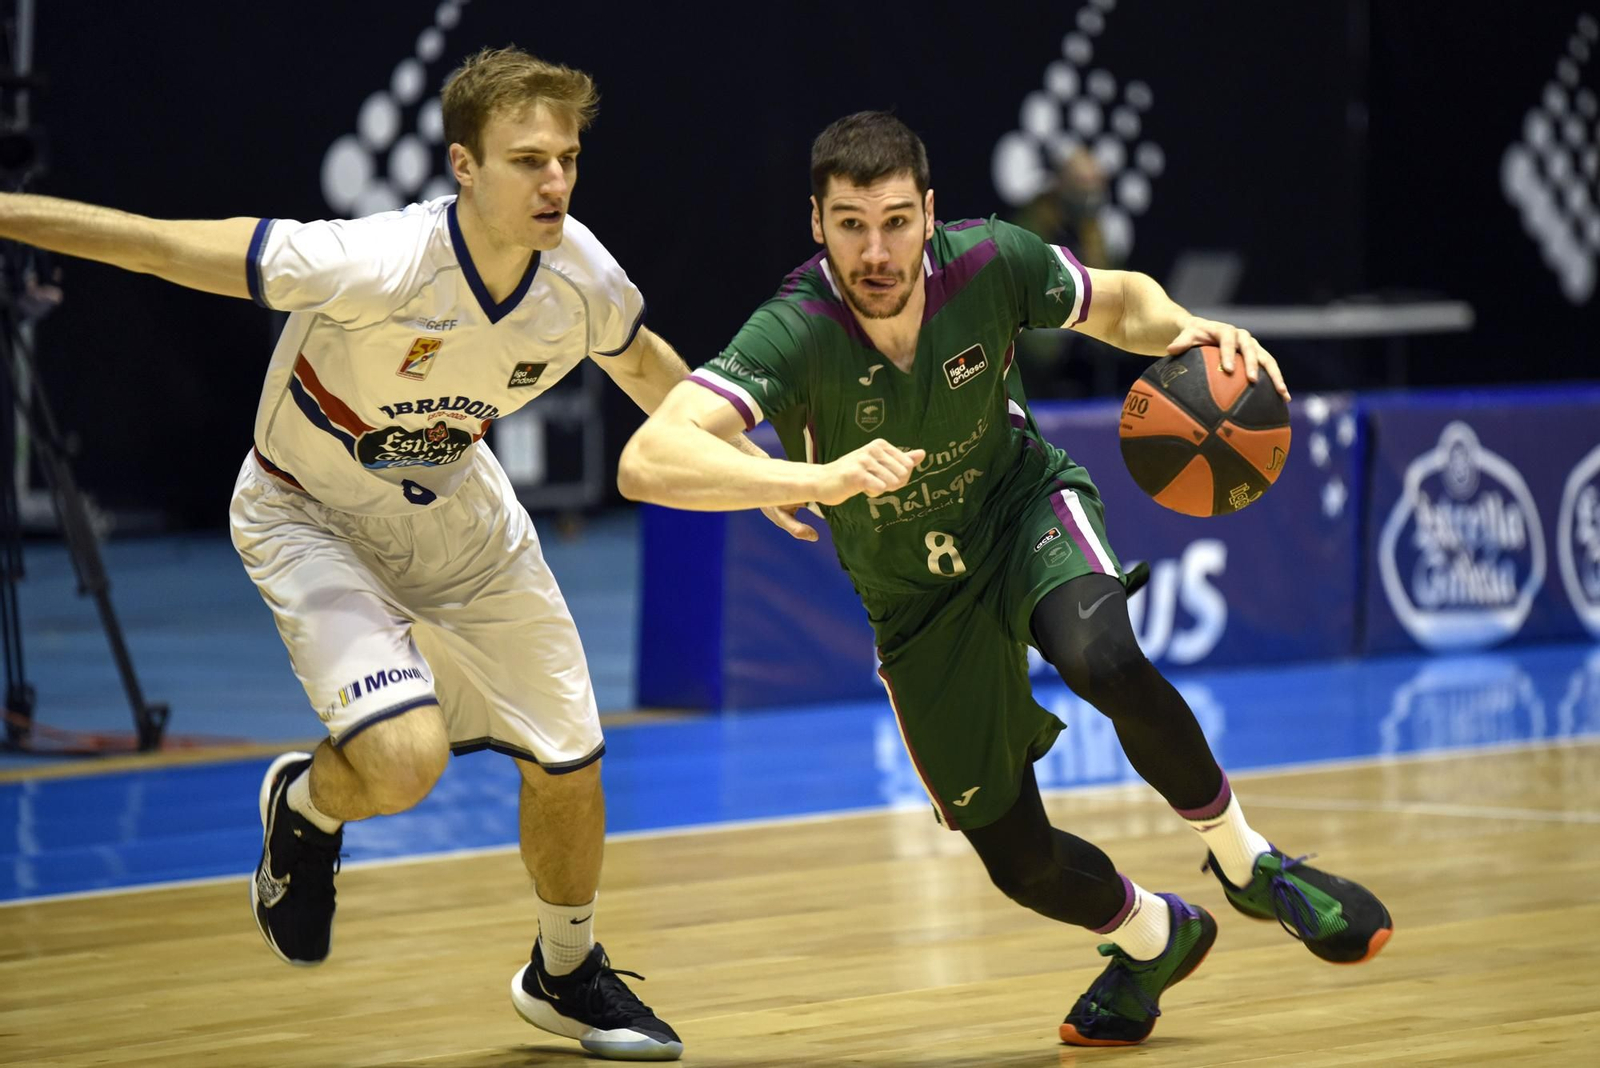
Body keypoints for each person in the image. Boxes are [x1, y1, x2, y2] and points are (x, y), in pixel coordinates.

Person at [0, 47, 799, 1063]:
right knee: (402, 760)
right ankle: (304, 803)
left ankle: (565, 973)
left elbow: (650, 369)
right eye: (526, 161)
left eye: (565, 159)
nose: (553, 181)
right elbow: (161, 248)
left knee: (571, 763)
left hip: (462, 517)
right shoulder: (370, 261)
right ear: (463, 166)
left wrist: (751, 469)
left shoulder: (581, 274)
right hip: (308, 517)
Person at [617, 111, 1392, 1048]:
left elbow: (1118, 303)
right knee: (1018, 863)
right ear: (816, 224)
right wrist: (804, 477)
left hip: (1021, 508)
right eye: (852, 223)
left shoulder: (989, 262)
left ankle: (1247, 863)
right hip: (914, 599)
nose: (876, 249)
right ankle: (1154, 937)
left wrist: (1190, 330)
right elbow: (647, 460)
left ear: (930, 213)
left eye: (897, 220)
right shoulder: (793, 330)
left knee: (1100, 653)